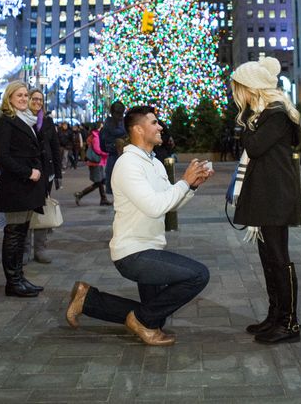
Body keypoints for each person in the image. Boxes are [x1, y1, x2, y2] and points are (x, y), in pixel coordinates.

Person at [66, 105, 212, 346]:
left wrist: (192, 185)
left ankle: (88, 300)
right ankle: (141, 321)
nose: (160, 127)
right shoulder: (128, 165)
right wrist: (184, 182)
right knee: (198, 275)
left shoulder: (153, 163)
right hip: (134, 253)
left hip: (151, 249)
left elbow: (169, 203)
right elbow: (155, 206)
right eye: (154, 122)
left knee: (156, 317)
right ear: (137, 129)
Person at [230, 57, 301, 344]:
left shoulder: (275, 113)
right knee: (268, 258)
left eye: (240, 89)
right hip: (267, 194)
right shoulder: (266, 113)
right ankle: (275, 316)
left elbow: (255, 146)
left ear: (252, 87)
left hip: (276, 196)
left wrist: (248, 122)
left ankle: (289, 323)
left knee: (278, 258)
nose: (239, 96)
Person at [0, 81, 46, 297]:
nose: (24, 99)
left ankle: (19, 278)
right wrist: (28, 172)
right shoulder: (5, 122)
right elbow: (2, 157)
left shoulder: (27, 120)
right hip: (16, 187)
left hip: (27, 188)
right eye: (19, 96)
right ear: (9, 98)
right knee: (14, 234)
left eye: (26, 95)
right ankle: (13, 282)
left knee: (21, 233)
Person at [25, 89, 63, 264]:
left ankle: (40, 248)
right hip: (27, 171)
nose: (37, 102)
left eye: (40, 100)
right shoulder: (22, 119)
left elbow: (55, 148)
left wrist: (58, 174)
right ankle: (24, 250)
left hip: (46, 172)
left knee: (43, 209)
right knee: (25, 211)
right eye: (34, 99)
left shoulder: (47, 121)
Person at [74, 121, 112, 206]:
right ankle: (80, 194)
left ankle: (103, 199)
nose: (102, 129)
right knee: (99, 182)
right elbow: (98, 150)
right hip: (96, 162)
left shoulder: (97, 135)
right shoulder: (96, 137)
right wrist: (106, 153)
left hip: (98, 162)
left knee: (100, 181)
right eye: (101, 127)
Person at [100, 101, 127, 195]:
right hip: (114, 156)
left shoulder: (124, 123)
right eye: (118, 113)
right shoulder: (108, 125)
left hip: (125, 157)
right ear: (113, 113)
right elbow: (103, 145)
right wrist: (115, 146)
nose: (120, 116)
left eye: (121, 113)